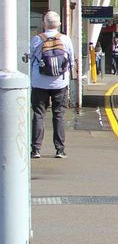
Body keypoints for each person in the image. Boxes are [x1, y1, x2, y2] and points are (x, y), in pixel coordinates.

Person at [29, 11, 75, 159]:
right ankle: (60, 149)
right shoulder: (65, 39)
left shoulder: (37, 39)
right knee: (59, 115)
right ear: (59, 24)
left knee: (38, 114)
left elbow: (30, 59)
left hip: (39, 83)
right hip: (60, 83)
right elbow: (71, 61)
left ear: (44, 24)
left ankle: (36, 150)